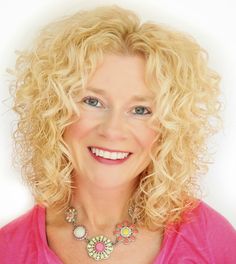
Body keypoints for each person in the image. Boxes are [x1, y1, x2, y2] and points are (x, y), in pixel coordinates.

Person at [0, 4, 235, 264]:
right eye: (93, 101)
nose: (112, 130)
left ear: (169, 127)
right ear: (55, 111)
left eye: (140, 109)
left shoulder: (211, 241)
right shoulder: (9, 249)